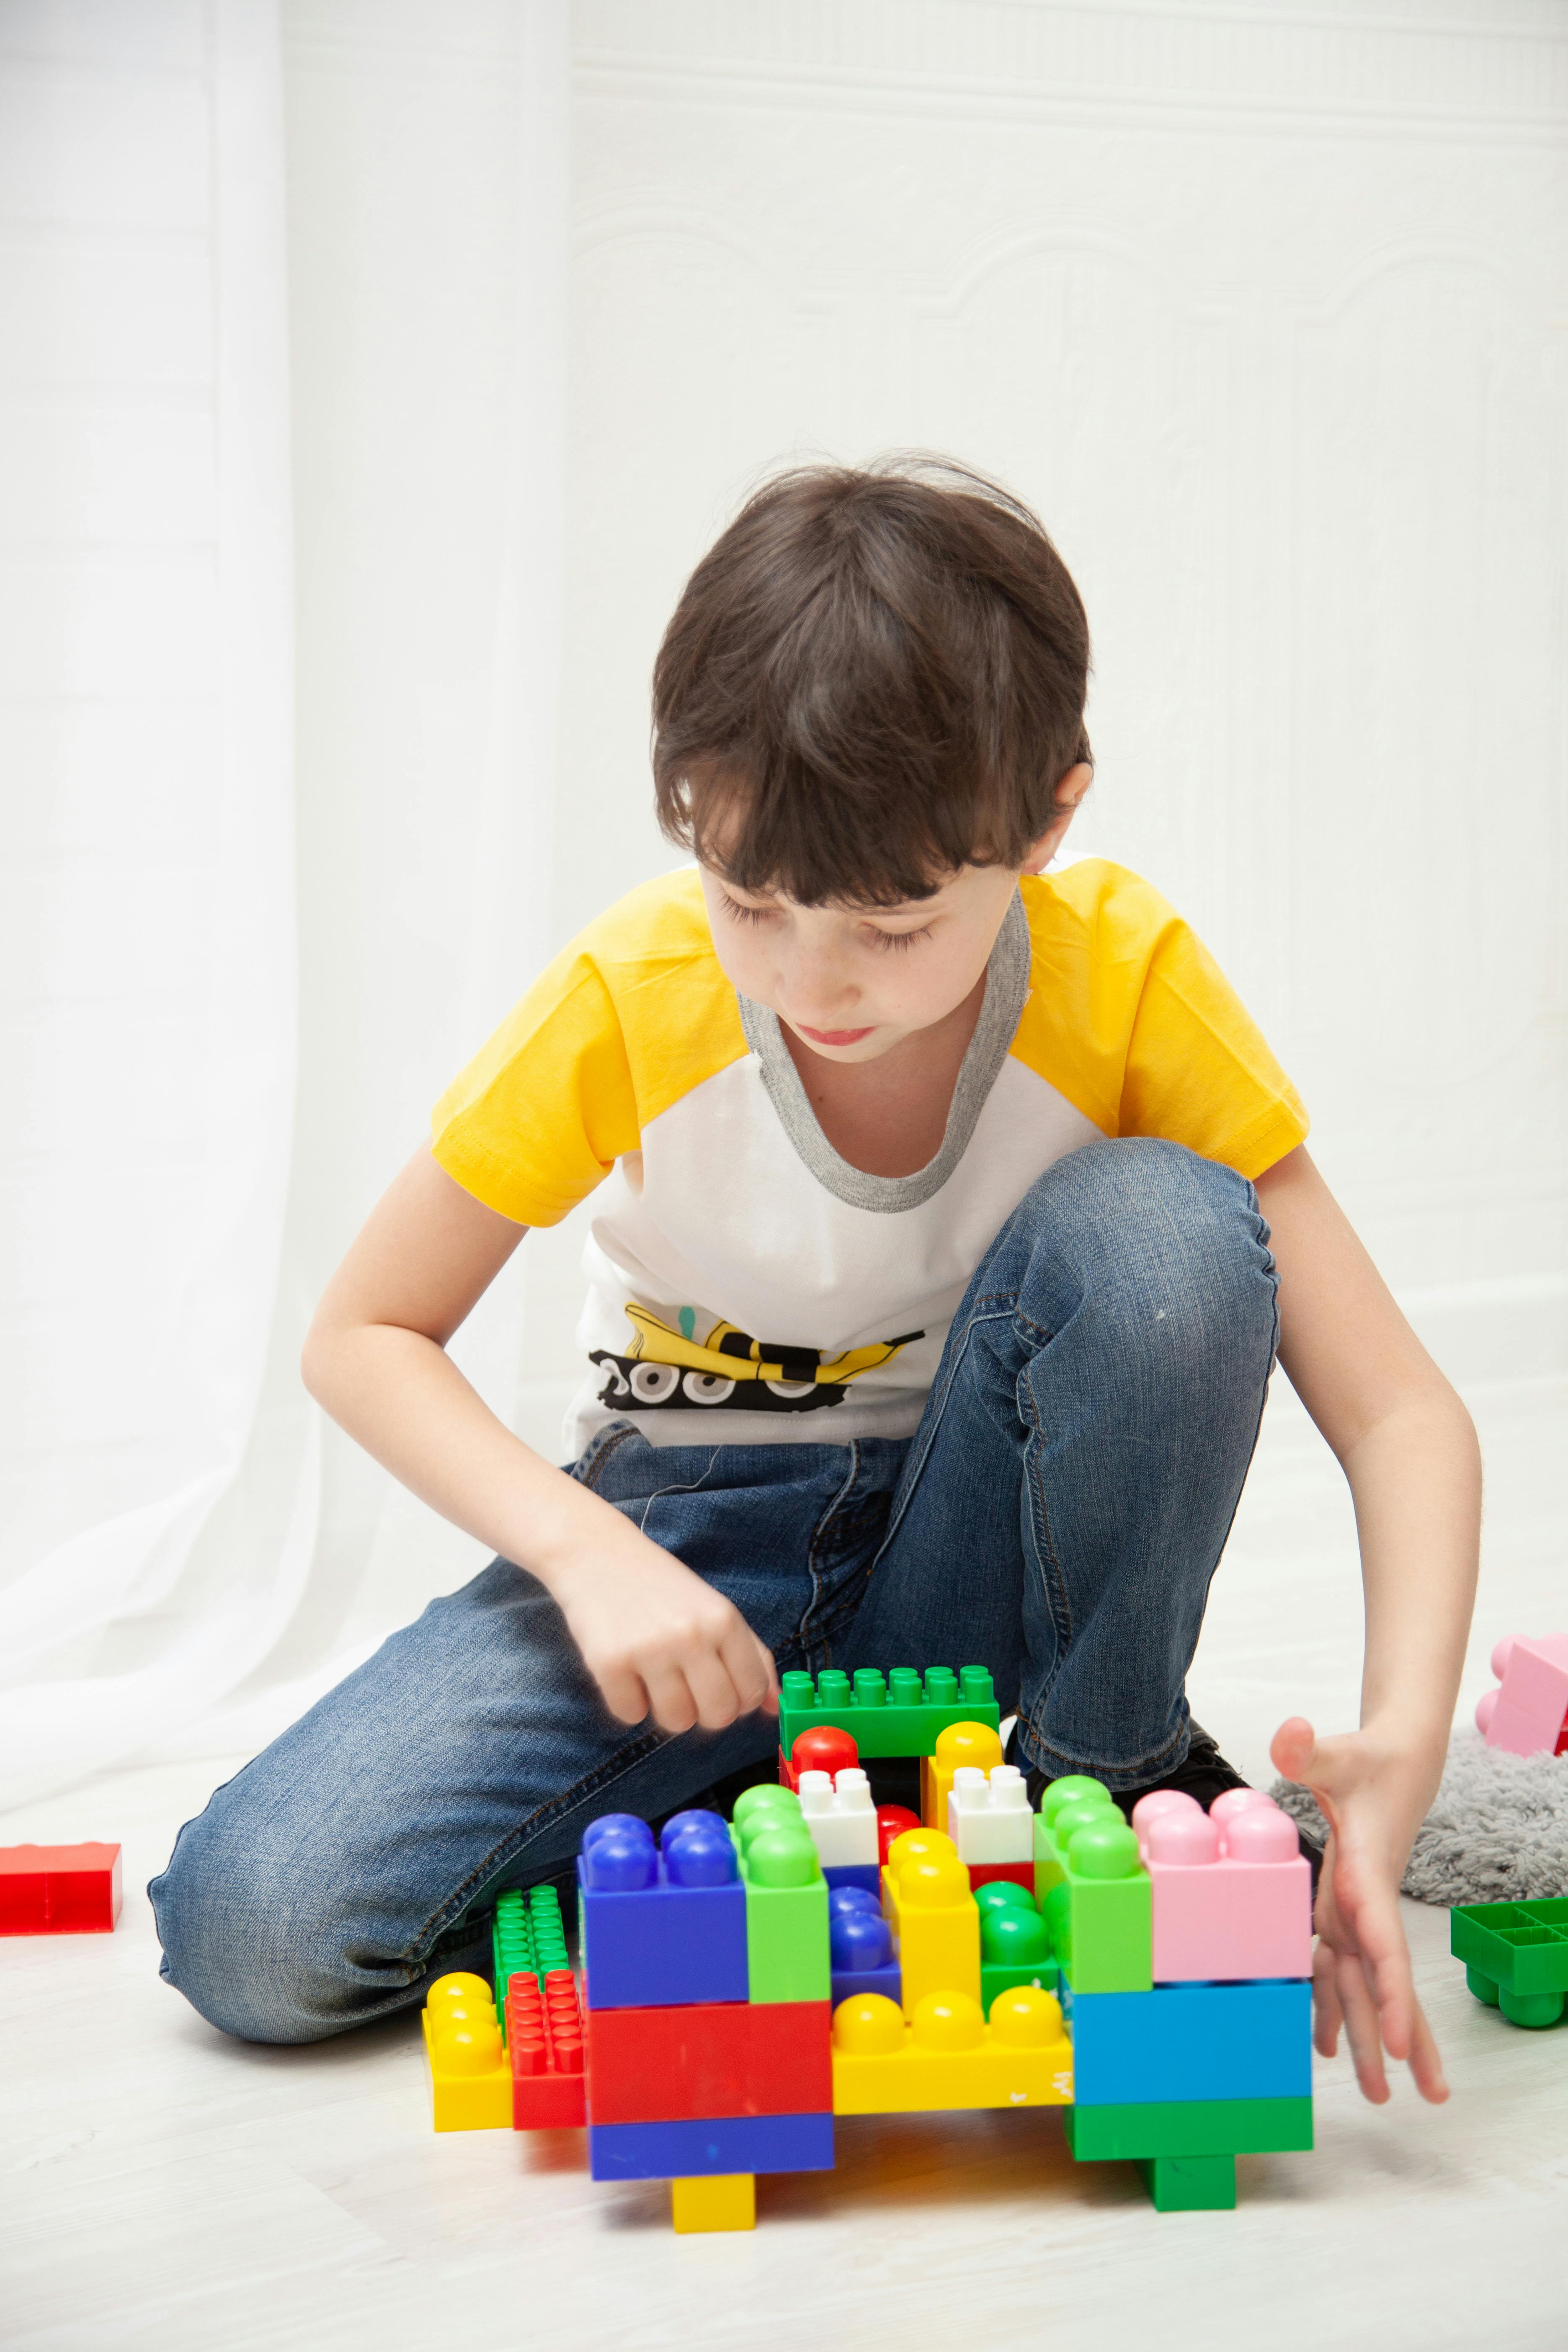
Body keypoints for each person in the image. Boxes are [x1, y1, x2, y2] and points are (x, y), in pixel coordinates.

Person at [152, 459, 1478, 2107]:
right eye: (751, 902)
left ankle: (1096, 1773)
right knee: (254, 1930)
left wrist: (1402, 1737)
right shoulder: (636, 993)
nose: (812, 980)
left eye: (897, 920)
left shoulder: (1124, 980)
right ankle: (786, 1827)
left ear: (1052, 819)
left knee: (1168, 1231)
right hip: (690, 1557)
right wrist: (589, 1558)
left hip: (980, 1543)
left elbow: (1405, 1410)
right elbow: (365, 1331)